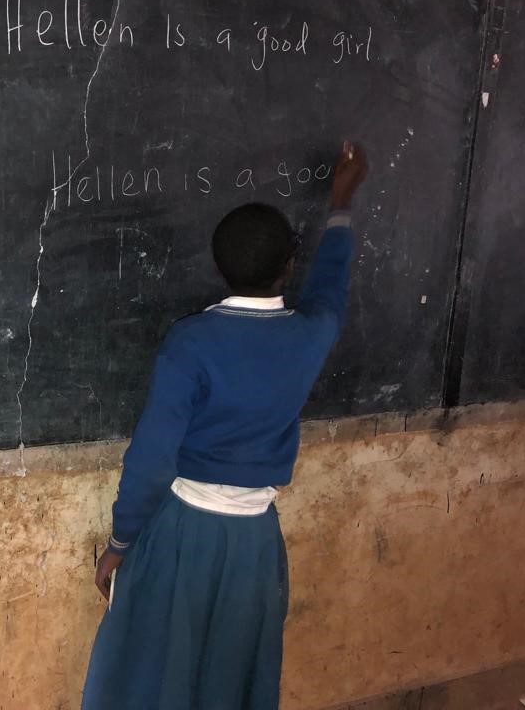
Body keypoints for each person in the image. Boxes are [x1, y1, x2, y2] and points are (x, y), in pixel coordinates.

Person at [82, 141, 369, 709]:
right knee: (230, 674)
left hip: (183, 533)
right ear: (290, 265)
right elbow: (331, 286)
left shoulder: (192, 342)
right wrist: (340, 201)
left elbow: (151, 457)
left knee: (153, 670)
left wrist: (119, 543)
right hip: (254, 542)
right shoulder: (310, 335)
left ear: (217, 268)